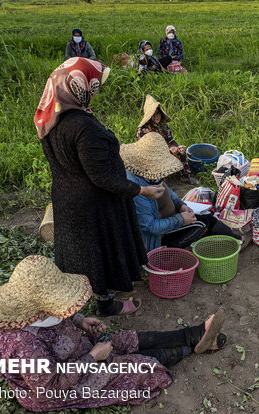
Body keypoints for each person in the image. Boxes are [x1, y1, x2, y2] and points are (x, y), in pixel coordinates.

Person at [0, 255, 226, 412]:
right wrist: (93, 357)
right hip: (58, 387)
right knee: (138, 369)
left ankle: (196, 333)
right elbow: (49, 386)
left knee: (127, 339)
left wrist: (80, 320)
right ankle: (193, 347)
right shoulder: (22, 345)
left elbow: (56, 311)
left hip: (74, 353)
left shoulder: (26, 309)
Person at [35, 57, 165, 317]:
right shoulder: (83, 127)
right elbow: (102, 178)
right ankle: (106, 304)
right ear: (79, 87)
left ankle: (77, 298)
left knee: (80, 250)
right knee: (100, 249)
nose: (96, 92)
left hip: (67, 195)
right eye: (94, 86)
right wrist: (142, 190)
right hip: (94, 203)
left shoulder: (50, 116)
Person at [120, 132, 241, 252]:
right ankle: (163, 253)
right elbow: (149, 226)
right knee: (202, 224)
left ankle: (237, 240)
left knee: (207, 218)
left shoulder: (150, 173)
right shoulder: (137, 189)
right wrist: (181, 220)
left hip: (171, 218)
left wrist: (180, 205)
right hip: (157, 237)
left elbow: (167, 191)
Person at [137, 94, 196, 184]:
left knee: (182, 153)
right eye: (152, 114)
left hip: (164, 151)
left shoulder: (163, 126)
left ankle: (185, 178)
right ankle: (161, 184)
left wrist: (176, 147)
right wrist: (168, 149)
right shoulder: (143, 130)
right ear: (148, 117)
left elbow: (170, 140)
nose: (156, 116)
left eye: (157, 113)